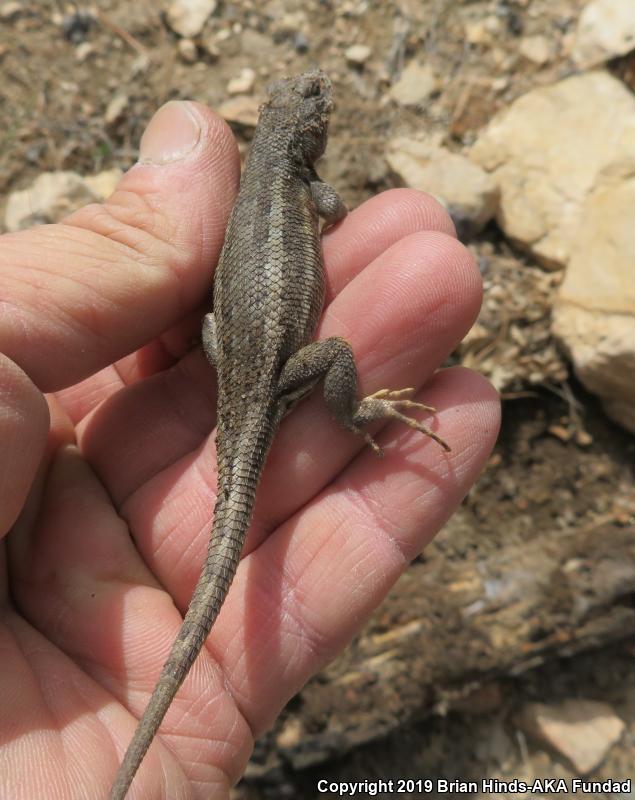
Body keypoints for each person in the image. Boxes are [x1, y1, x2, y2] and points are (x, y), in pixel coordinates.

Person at [0, 100, 500, 797]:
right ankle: (352, 414)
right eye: (317, 111)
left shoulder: (250, 184)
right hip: (275, 372)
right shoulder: (306, 186)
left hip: (226, 357)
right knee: (337, 350)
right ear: (308, 139)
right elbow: (333, 208)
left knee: (246, 368)